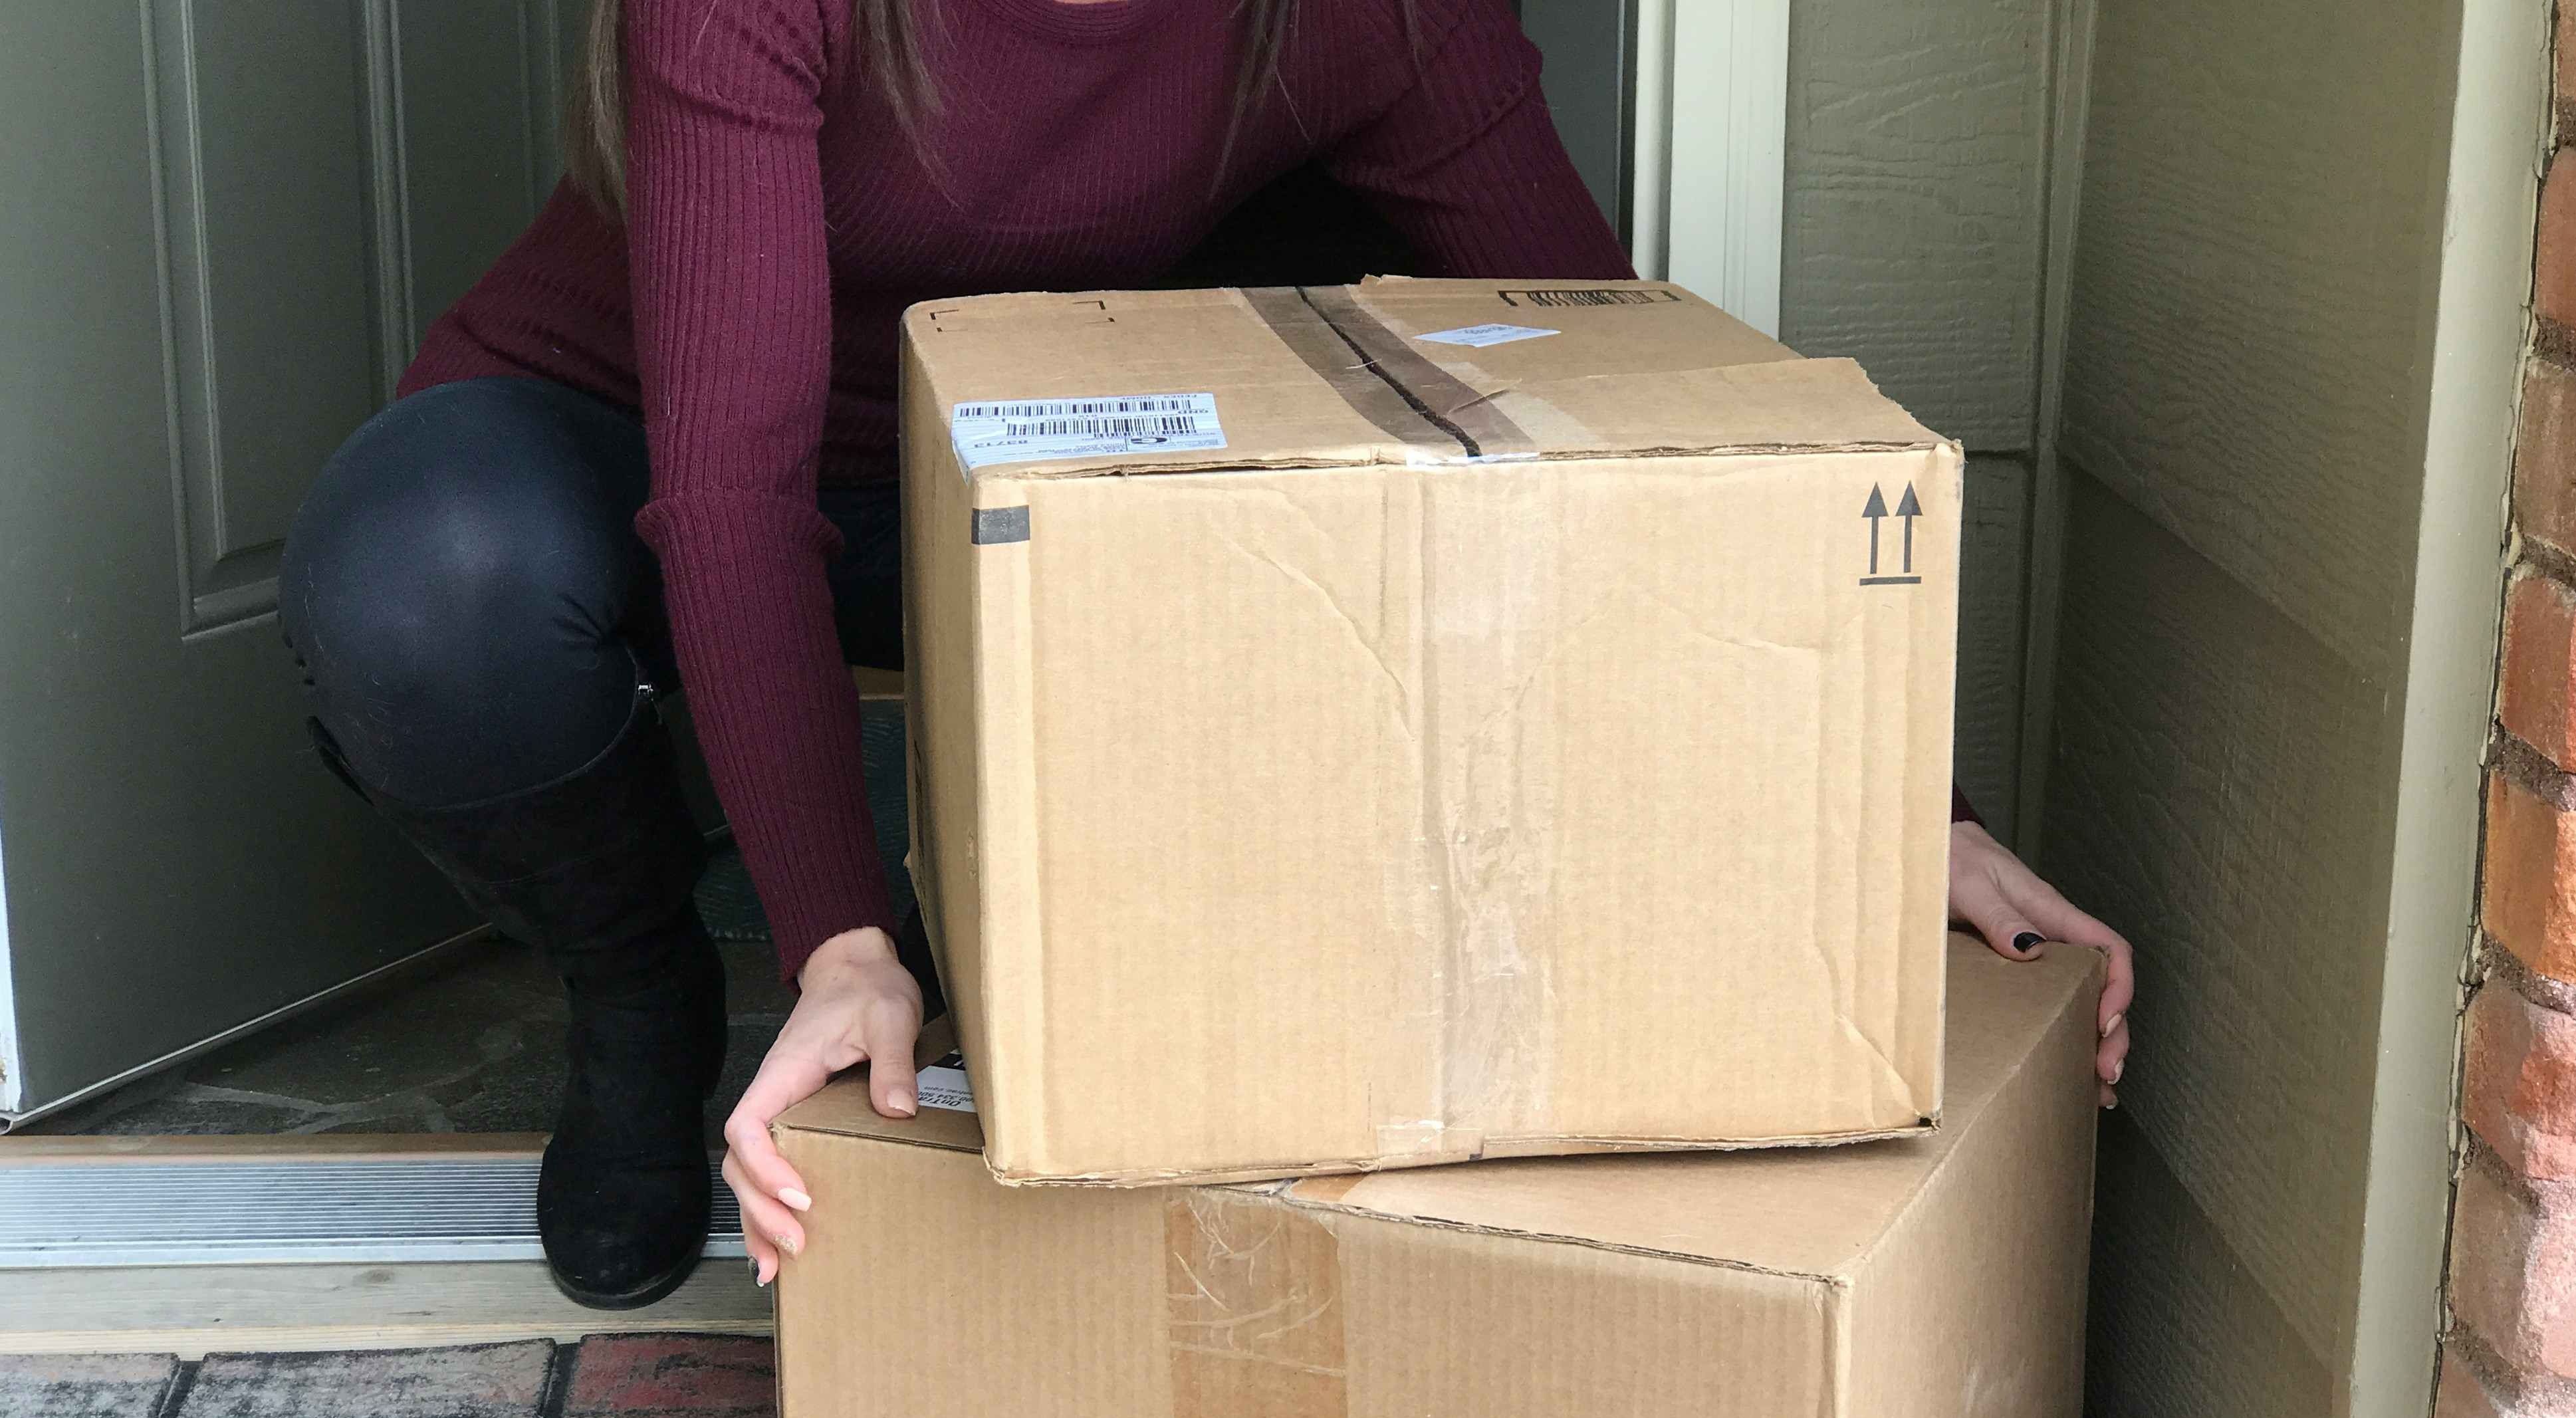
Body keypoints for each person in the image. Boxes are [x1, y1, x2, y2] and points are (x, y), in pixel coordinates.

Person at [283, 0, 2135, 1312]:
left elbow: (1607, 397)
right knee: (422, 594)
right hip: (639, 441)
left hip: (1011, 466)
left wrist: (1889, 811)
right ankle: (634, 992)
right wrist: (837, 939)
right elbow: (735, 486)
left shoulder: (1369, 13)